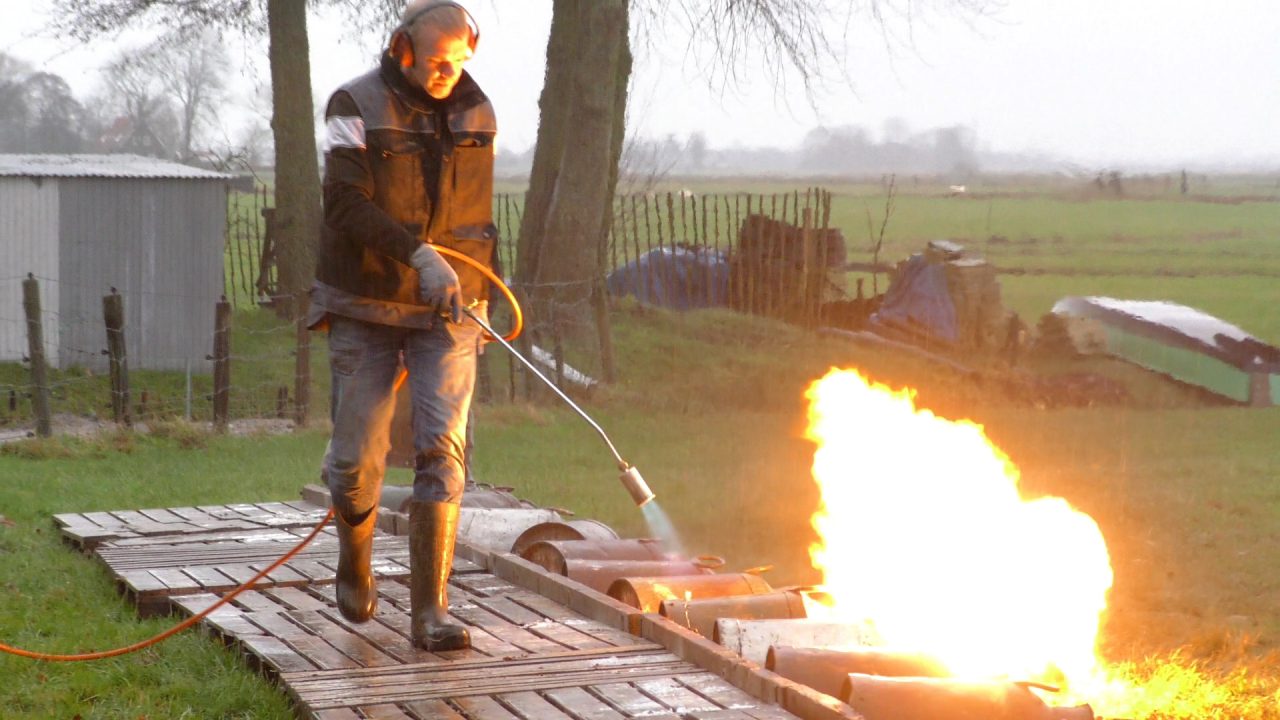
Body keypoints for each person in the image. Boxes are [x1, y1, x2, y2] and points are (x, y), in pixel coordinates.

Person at [308, 0, 497, 652]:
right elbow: (342, 203)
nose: (448, 73)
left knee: (442, 452)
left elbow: (472, 215)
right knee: (356, 461)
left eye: (460, 61)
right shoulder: (349, 106)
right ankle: (355, 558)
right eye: (437, 61)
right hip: (365, 302)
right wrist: (417, 255)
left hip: (448, 310)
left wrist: (477, 289)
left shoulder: (478, 112)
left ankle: (430, 612)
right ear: (403, 47)